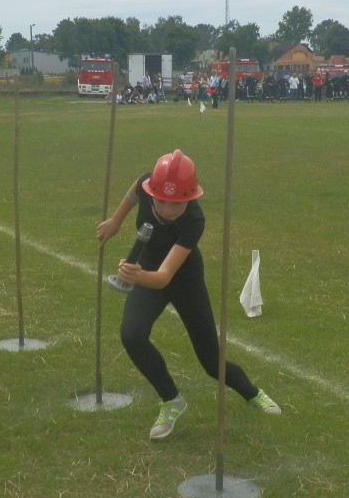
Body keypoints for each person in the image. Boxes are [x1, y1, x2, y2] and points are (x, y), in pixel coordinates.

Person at [96, 149, 280, 441]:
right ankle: (171, 400)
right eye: (160, 201)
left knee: (211, 362)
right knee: (131, 334)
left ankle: (252, 393)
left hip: (184, 279)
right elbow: (135, 189)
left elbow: (164, 277)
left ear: (190, 198)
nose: (167, 210)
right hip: (148, 267)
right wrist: (116, 220)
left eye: (177, 204)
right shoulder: (146, 184)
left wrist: (135, 276)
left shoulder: (194, 220)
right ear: (152, 192)